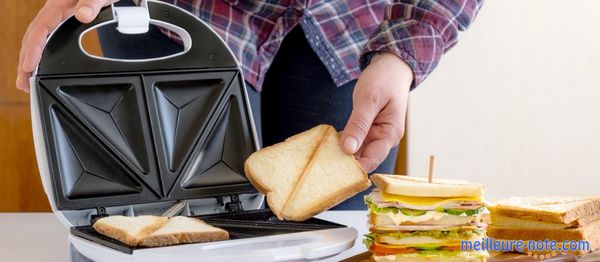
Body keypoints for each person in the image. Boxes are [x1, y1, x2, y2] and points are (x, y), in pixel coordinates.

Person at [16, 0, 483, 209]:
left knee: (337, 236)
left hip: (350, 24)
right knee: (148, 222)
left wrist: (403, 53)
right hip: (190, 16)